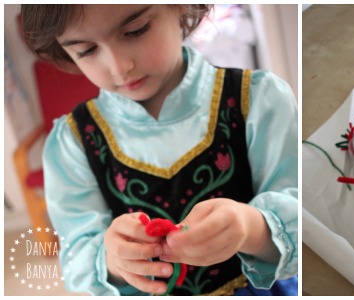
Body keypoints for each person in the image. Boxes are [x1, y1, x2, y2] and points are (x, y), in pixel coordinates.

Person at [21, 4, 298, 296]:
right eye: (87, 50)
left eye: (135, 30)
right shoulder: (73, 142)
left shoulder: (257, 101)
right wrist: (113, 261)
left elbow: (301, 216)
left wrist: (251, 228)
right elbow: (76, 256)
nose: (119, 66)